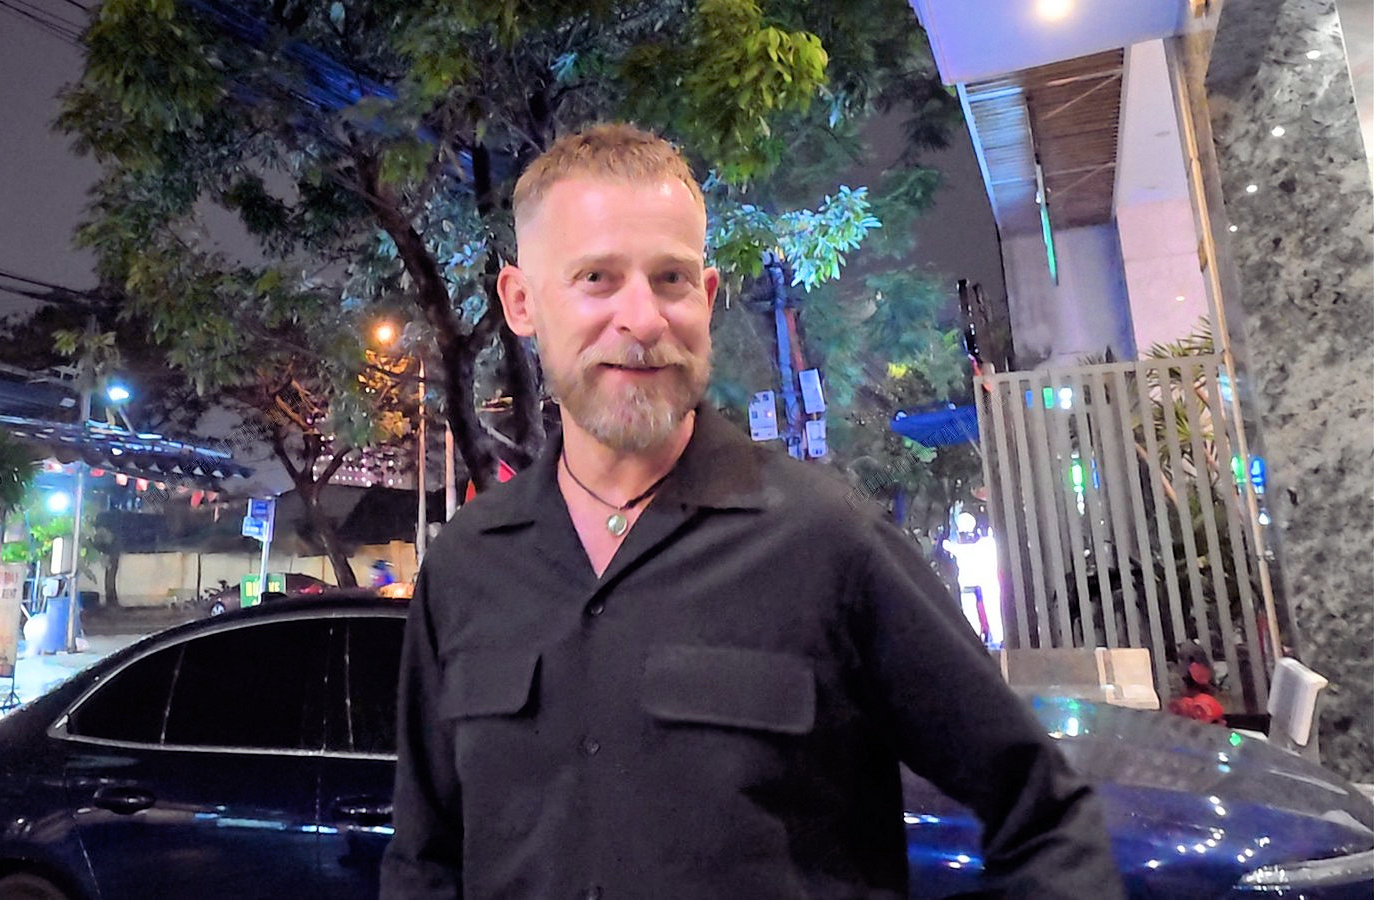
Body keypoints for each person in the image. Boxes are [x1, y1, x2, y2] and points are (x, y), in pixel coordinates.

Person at [382, 123, 1123, 899]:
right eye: (597, 277)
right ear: (521, 302)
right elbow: (423, 862)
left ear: (704, 298)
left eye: (670, 278)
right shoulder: (467, 565)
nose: (643, 318)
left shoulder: (825, 541)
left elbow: (1048, 817)